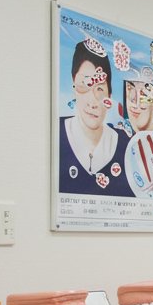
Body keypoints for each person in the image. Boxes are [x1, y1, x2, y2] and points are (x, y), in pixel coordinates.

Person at [59, 37, 132, 197]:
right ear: (73, 85)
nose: (92, 102)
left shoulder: (126, 145)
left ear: (110, 93)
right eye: (84, 86)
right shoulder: (57, 132)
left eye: (100, 89)